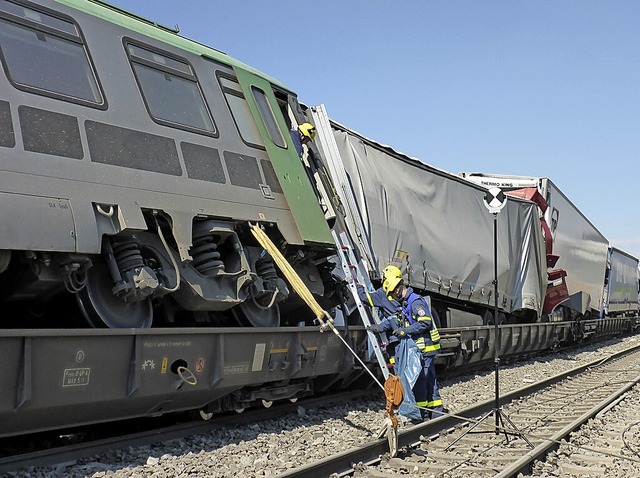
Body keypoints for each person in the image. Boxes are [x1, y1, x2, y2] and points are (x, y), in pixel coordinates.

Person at [380, 274, 444, 421]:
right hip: (422, 348)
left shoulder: (415, 302)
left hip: (425, 348)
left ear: (397, 289)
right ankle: (433, 412)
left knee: (422, 380)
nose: (392, 297)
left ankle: (425, 413)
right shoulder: (407, 302)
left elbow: (425, 322)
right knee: (427, 380)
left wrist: (405, 331)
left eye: (391, 293)